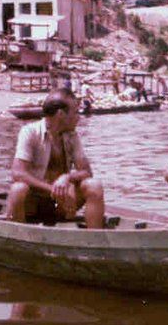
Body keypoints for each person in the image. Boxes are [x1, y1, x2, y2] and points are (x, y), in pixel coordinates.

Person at [7, 89, 105, 229]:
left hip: (60, 203)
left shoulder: (72, 136)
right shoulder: (30, 132)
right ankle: (18, 240)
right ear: (60, 114)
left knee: (94, 185)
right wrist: (52, 188)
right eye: (75, 112)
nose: (79, 117)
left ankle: (96, 241)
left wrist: (67, 177)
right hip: (33, 203)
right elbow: (18, 173)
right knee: (18, 189)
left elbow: (87, 172)